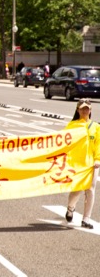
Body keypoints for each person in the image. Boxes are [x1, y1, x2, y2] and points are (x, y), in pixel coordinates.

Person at [64, 98, 100, 229]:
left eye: (87, 108)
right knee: (77, 189)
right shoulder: (71, 126)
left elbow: (98, 145)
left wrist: (97, 159)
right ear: (77, 110)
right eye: (82, 108)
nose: (85, 110)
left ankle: (86, 218)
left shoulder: (95, 127)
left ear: (90, 110)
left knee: (90, 190)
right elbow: (63, 143)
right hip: (76, 164)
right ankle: (70, 208)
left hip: (91, 164)